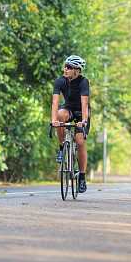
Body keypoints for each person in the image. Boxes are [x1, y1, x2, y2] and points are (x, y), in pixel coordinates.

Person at [50, 54, 90, 193]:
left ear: (77, 71)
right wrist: (54, 120)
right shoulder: (60, 81)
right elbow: (55, 102)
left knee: (80, 142)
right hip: (68, 109)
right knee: (60, 115)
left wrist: (83, 121)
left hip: (81, 113)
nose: (65, 69)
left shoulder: (84, 82)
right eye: (65, 66)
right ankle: (62, 148)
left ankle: (82, 177)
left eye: (69, 67)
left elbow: (84, 103)